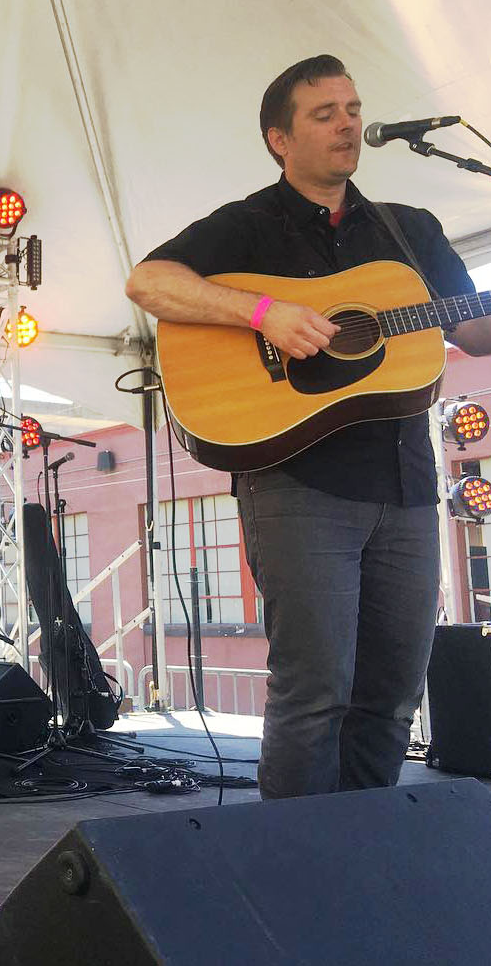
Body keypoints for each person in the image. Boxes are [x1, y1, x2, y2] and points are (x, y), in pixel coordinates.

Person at [126, 54, 491, 800]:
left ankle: (363, 844)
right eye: (325, 114)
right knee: (315, 691)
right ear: (279, 139)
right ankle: (294, 855)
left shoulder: (408, 230)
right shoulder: (247, 225)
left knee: (392, 696)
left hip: (406, 487)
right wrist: (263, 312)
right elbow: (149, 281)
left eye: (353, 109)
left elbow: (473, 330)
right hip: (299, 486)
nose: (348, 125)